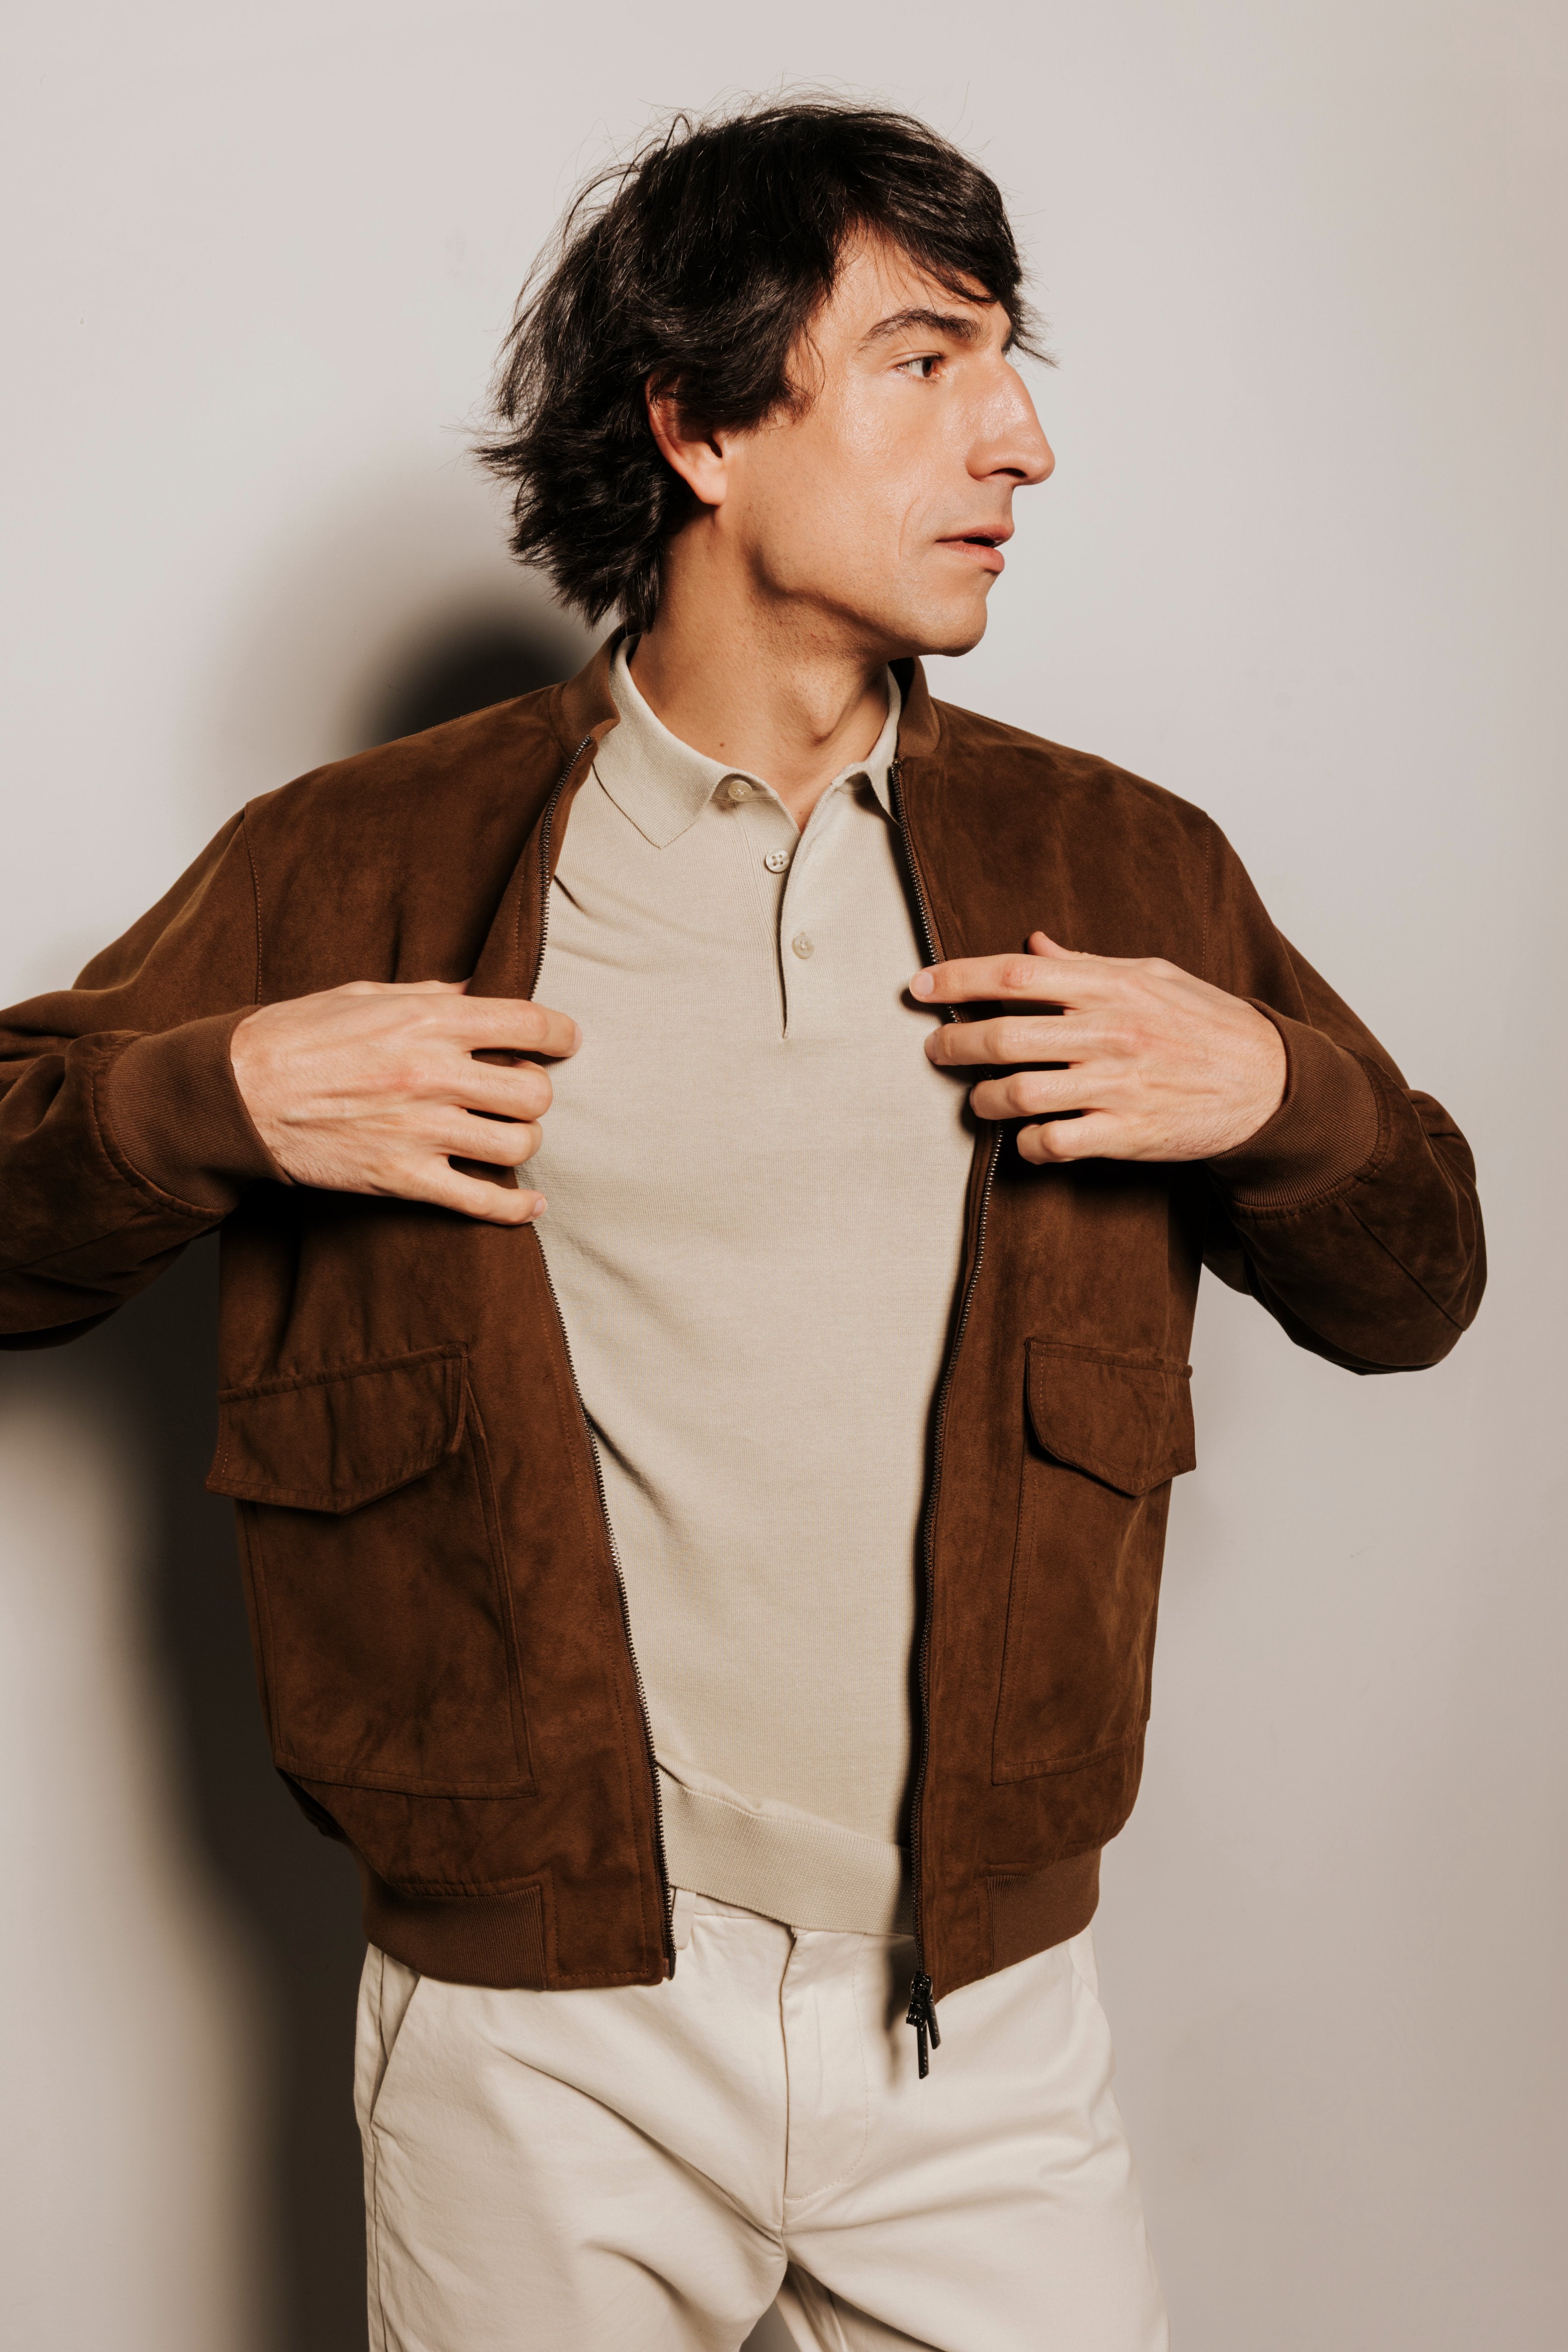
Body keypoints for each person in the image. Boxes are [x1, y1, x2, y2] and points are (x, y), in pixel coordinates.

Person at [0, 98, 1483, 2352]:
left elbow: (1420, 1284)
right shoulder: (358, 861)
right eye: (925, 359)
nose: (1021, 439)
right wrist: (207, 1096)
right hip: (540, 2044)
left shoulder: (1127, 868)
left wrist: (1283, 1096)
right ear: (697, 426)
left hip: (985, 2031)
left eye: (1009, 360)